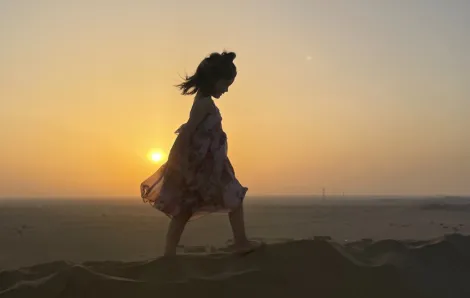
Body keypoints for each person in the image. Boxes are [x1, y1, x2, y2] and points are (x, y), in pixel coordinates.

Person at [140, 51, 261, 256]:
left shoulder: (204, 102)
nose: (226, 90)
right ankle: (238, 242)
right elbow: (188, 132)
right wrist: (177, 162)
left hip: (214, 164)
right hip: (203, 166)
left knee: (227, 198)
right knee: (195, 205)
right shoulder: (203, 104)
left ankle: (171, 252)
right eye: (226, 85)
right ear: (215, 80)